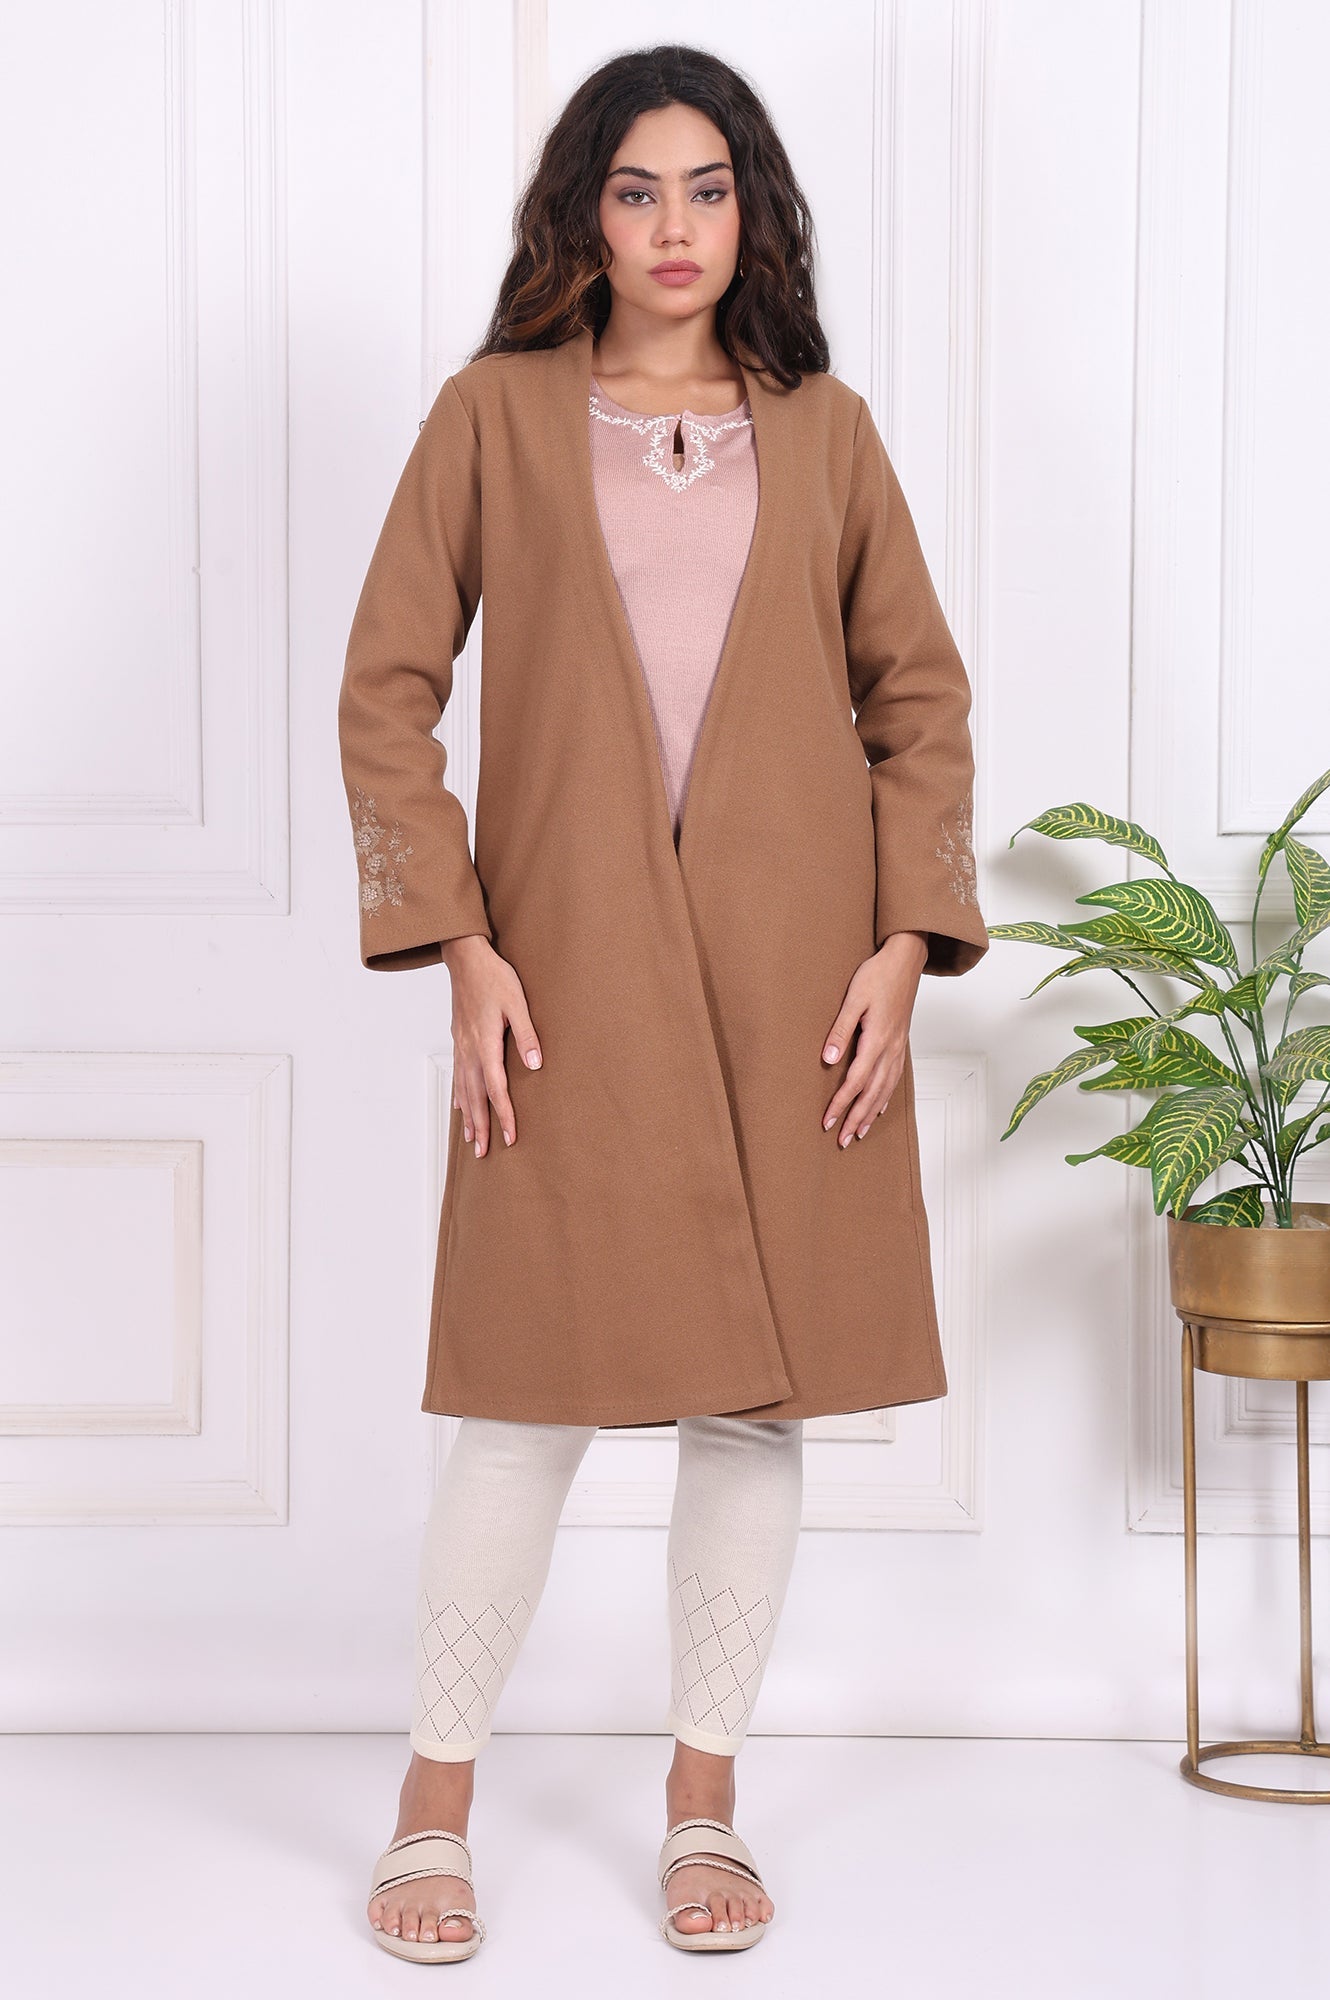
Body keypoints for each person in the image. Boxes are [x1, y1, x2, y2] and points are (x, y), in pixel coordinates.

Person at [339, 43, 988, 1966]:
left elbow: (919, 701)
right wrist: (457, 943)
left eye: (708, 189)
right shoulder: (494, 415)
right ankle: (431, 1806)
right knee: (521, 1399)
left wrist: (903, 945)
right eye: (637, 190)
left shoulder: (827, 432)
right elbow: (387, 689)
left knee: (752, 1404)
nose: (674, 227)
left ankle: (704, 1802)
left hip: (800, 982)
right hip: (560, 979)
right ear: (585, 214)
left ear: (751, 211)